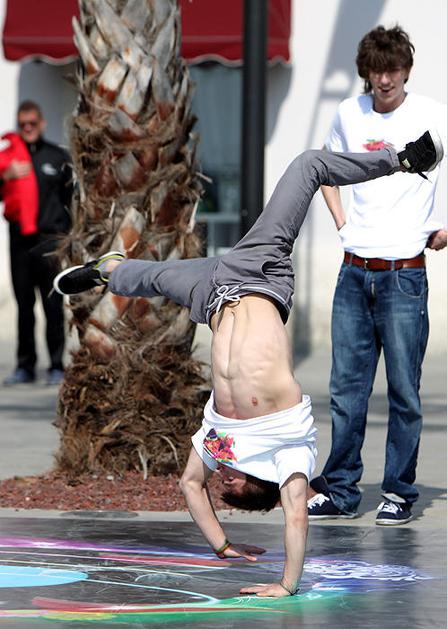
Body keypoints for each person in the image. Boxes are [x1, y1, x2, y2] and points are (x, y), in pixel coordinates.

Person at [53, 133, 441, 596]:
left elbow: (190, 485)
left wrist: (222, 545)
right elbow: (295, 515)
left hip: (211, 293)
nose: (223, 475)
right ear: (258, 481)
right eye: (232, 483)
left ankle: (106, 269)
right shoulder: (287, 447)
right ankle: (402, 160)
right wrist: (287, 584)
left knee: (150, 277)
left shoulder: (220, 440)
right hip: (259, 271)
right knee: (309, 165)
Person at [307, 25, 447, 526]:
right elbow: (324, 168)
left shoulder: (432, 114)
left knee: (404, 391)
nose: (384, 80)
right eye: (376, 71)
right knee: (346, 391)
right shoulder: (349, 113)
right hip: (354, 272)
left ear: (406, 70)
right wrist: (342, 223)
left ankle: (399, 491)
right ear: (365, 72)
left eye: (393, 70)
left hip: (404, 275)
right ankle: (342, 489)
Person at [0, 101, 73, 386]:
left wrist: (69, 236)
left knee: (53, 304)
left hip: (50, 240)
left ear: (41, 123)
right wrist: (5, 176)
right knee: (24, 306)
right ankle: (25, 366)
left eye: (32, 123)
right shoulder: (8, 159)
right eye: (23, 124)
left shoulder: (57, 157)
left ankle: (56, 365)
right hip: (20, 242)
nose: (28, 128)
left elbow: (72, 200)